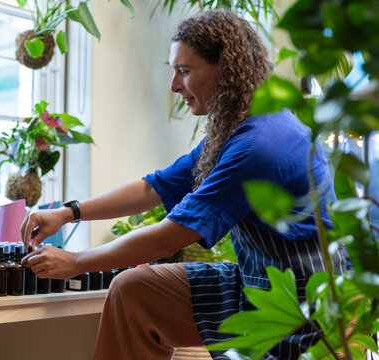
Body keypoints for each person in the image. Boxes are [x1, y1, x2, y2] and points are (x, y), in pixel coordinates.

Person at [21, 10, 347, 360]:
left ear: (227, 68)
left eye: (184, 71)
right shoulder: (237, 129)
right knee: (135, 291)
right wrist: (69, 214)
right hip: (256, 281)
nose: (174, 85)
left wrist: (76, 261)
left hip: (303, 307)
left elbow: (171, 235)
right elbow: (156, 187)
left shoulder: (261, 145)